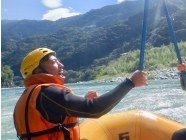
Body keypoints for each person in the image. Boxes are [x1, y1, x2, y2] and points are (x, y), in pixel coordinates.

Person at [13, 48, 147, 140]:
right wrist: (130, 83)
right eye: (54, 62)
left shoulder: (28, 96)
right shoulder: (48, 92)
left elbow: (53, 118)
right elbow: (94, 109)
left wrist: (82, 101)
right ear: (37, 71)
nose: (61, 65)